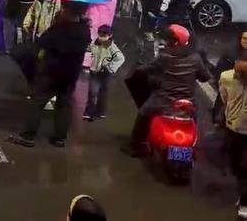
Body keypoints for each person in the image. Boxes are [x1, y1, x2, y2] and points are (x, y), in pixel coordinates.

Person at [9, 0, 91, 148]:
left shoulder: (59, 29)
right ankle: (60, 138)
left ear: (67, 9)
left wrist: (55, 24)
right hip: (71, 74)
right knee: (64, 104)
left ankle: (28, 136)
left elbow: (42, 42)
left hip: (51, 73)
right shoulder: (84, 30)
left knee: (37, 101)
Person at [128, 24, 210, 156]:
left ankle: (136, 146)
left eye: (168, 40)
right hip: (187, 101)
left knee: (143, 114)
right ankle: (192, 148)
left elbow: (145, 69)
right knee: (193, 119)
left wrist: (138, 69)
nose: (166, 42)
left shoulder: (164, 57)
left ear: (176, 42)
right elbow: (204, 77)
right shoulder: (196, 58)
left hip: (163, 101)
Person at [219, 54, 247, 218]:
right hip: (234, 129)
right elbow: (224, 98)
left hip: (237, 128)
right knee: (236, 165)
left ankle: (245, 202)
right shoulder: (226, 77)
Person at [83, 25, 125, 121]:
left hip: (106, 74)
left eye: (104, 36)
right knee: (92, 92)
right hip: (94, 72)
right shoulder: (94, 44)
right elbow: (87, 49)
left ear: (110, 36)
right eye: (100, 35)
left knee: (103, 93)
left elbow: (121, 58)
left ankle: (100, 111)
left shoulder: (112, 47)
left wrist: (110, 67)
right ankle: (89, 112)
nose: (101, 38)